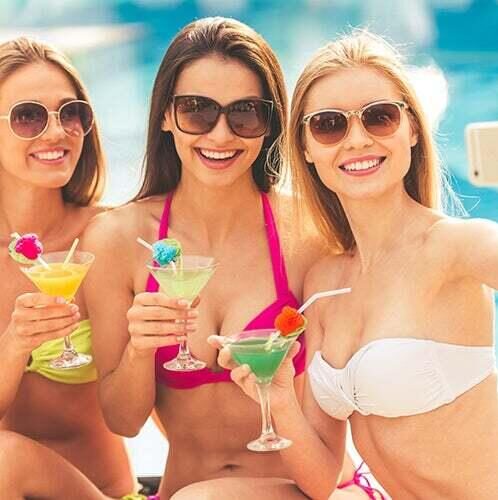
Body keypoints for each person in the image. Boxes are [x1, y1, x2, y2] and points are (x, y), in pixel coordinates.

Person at [82, 17, 369, 500]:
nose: (220, 135)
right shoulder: (118, 240)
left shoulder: (309, 235)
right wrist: (139, 349)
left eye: (245, 114)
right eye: (197, 110)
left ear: (271, 124)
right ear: (165, 116)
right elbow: (124, 422)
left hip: (311, 491)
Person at [214, 30, 498, 499]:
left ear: (410, 128)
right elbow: (322, 479)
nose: (358, 140)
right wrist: (281, 397)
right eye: (329, 125)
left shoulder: (457, 247)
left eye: (379, 117)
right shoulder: (325, 281)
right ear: (305, 147)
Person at [0, 37, 138, 499]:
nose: (57, 132)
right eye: (28, 116)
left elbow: (145, 412)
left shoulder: (110, 235)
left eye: (70, 112)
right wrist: (16, 344)